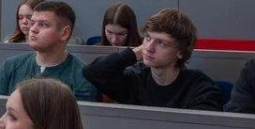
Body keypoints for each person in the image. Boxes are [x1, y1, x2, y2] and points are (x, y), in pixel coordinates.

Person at [85, 9, 222, 110]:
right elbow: (92, 72)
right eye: (148, 38)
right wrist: (136, 53)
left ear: (180, 52)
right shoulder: (135, 78)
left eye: (161, 43)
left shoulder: (200, 88)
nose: (149, 48)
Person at [0, 1, 97, 101]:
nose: (33, 29)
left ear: (64, 33)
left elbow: (79, 113)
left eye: (44, 24)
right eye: (32, 23)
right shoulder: (10, 66)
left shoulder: (82, 76)